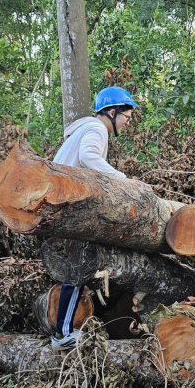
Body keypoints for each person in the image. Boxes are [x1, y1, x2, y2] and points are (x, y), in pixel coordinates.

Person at [50, 86, 139, 349]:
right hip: (69, 209)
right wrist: (121, 180)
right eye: (126, 115)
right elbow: (88, 157)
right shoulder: (97, 129)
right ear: (112, 112)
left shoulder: (88, 130)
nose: (127, 121)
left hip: (65, 207)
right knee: (76, 269)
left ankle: (67, 329)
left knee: (79, 268)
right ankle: (63, 333)